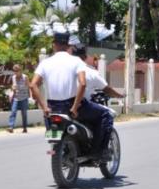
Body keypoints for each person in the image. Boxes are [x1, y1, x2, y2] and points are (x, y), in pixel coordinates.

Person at [30, 33, 113, 161]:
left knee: (52, 132)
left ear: (54, 45)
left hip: (52, 108)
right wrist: (74, 107)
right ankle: (97, 152)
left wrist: (44, 107)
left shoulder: (45, 63)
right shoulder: (76, 61)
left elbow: (33, 85)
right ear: (68, 46)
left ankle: (59, 150)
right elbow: (83, 83)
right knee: (105, 115)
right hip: (72, 107)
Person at [7, 64, 30, 133]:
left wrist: (31, 97)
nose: (15, 72)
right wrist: (12, 91)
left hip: (24, 97)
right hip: (16, 97)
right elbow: (13, 87)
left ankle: (25, 128)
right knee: (13, 112)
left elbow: (29, 87)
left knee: (24, 113)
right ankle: (11, 127)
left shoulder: (25, 77)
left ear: (20, 70)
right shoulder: (13, 77)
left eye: (17, 70)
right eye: (14, 71)